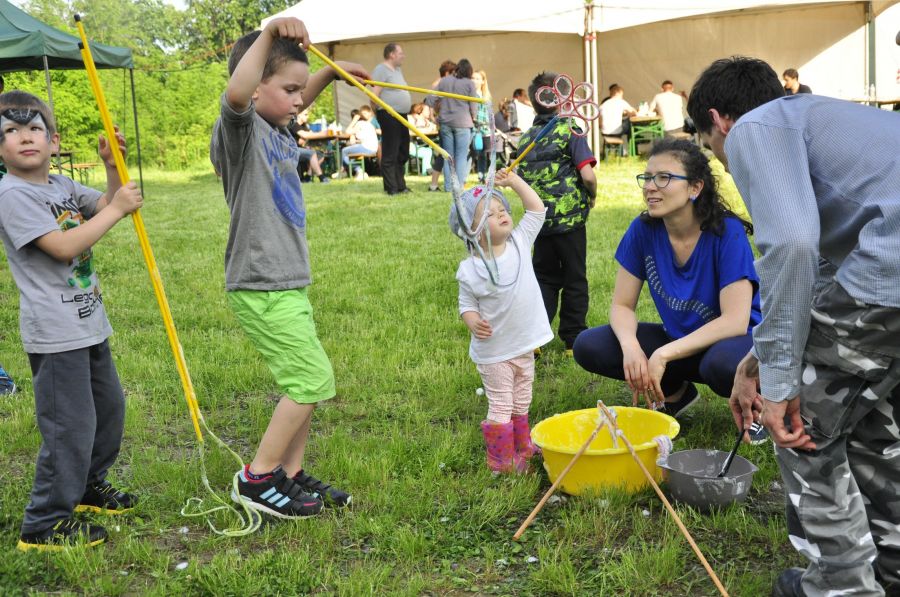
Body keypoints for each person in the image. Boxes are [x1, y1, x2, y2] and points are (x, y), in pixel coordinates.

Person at [687, 56, 900, 596]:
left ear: (721, 121)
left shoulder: (759, 127)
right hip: (886, 287)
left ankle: (840, 587)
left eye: (714, 150)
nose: (725, 163)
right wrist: (760, 357)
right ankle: (891, 569)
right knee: (874, 420)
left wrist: (781, 386)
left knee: (803, 429)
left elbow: (792, 247)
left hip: (889, 275)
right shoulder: (832, 120)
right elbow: (827, 271)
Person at [210, 18, 367, 518]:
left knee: (308, 380)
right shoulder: (240, 130)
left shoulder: (276, 127)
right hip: (259, 283)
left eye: (302, 89)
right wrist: (270, 29)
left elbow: (293, 94)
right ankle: (256, 479)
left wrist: (332, 74)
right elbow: (238, 92)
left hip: (287, 282)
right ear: (255, 90)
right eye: (289, 90)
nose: (299, 100)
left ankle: (289, 473)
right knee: (309, 380)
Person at [0, 91, 143, 550]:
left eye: (33, 128)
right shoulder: (11, 195)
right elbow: (63, 247)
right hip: (55, 333)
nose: (24, 136)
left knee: (108, 412)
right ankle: (43, 522)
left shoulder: (60, 186)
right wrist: (118, 209)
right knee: (69, 429)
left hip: (88, 322)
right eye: (9, 131)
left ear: (54, 140)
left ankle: (86, 487)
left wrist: (112, 162)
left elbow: (108, 201)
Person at [573, 138, 766, 428]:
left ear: (695, 187)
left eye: (664, 178)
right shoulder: (643, 229)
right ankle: (677, 393)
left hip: (737, 345)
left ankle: (760, 407)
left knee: (721, 365)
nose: (650, 186)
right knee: (590, 345)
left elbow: (735, 322)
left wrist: (662, 354)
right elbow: (622, 306)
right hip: (681, 343)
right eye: (648, 177)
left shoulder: (726, 232)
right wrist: (631, 348)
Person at [452, 169, 551, 473]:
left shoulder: (520, 243)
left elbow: (536, 209)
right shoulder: (471, 269)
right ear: (472, 231)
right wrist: (471, 320)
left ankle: (522, 447)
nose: (502, 214)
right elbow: (465, 304)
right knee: (501, 404)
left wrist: (515, 183)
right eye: (491, 214)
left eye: (502, 209)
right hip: (495, 352)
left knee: (522, 399)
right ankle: (500, 460)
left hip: (523, 345)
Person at [515, 71, 597, 356]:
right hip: (570, 219)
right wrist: (592, 195)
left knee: (545, 278)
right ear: (562, 98)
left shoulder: (526, 139)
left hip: (540, 222)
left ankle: (535, 338)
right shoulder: (570, 129)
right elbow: (587, 174)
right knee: (575, 276)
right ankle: (574, 339)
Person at [428, 58, 478, 191]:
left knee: (448, 155)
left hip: (445, 123)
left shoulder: (445, 81)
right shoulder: (469, 84)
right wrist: (474, 116)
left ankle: (448, 187)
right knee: (461, 156)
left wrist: (434, 111)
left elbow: (431, 98)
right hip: (463, 123)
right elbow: (473, 104)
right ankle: (459, 186)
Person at [371, 43, 412, 196]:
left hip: (401, 114)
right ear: (391, 54)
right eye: (400, 52)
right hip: (388, 114)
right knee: (390, 151)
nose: (403, 55)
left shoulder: (398, 70)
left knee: (403, 151)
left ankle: (401, 185)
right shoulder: (381, 70)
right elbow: (374, 95)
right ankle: (391, 188)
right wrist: (379, 113)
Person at [428, 60, 456, 192]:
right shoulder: (438, 83)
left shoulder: (440, 83)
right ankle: (434, 184)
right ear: (447, 73)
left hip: (444, 121)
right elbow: (430, 102)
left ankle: (437, 183)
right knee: (443, 154)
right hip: (444, 122)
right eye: (453, 73)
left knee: (444, 153)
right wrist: (436, 117)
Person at [290, 110, 329, 183]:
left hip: (302, 149)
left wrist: (307, 138)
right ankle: (321, 177)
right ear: (299, 115)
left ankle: (308, 177)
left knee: (320, 154)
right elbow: (305, 135)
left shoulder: (305, 126)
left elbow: (310, 135)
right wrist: (323, 134)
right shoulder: (294, 125)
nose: (307, 116)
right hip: (292, 149)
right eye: (305, 114)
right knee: (312, 153)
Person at [342, 105, 378, 180]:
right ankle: (352, 172)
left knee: (344, 151)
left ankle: (359, 171)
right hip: (373, 148)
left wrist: (354, 121)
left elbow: (347, 131)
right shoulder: (369, 124)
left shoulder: (359, 123)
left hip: (367, 148)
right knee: (351, 155)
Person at [471, 70, 493, 184]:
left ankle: (483, 175)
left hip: (486, 129)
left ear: (483, 81)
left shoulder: (486, 96)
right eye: (472, 78)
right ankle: (464, 178)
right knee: (472, 153)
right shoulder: (470, 94)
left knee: (484, 154)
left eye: (477, 78)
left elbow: (489, 114)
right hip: (474, 128)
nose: (474, 81)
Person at [599, 84, 636, 150]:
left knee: (624, 122)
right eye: (622, 95)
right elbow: (633, 113)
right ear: (618, 93)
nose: (622, 97)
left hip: (605, 132)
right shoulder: (621, 102)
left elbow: (600, 122)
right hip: (616, 132)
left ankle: (624, 150)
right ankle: (632, 149)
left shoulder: (603, 104)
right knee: (630, 124)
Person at [407, 103, 436, 176]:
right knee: (427, 152)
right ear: (420, 111)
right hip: (409, 145)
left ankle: (428, 170)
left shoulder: (426, 121)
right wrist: (426, 129)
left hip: (419, 144)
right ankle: (425, 172)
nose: (429, 112)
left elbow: (434, 127)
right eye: (427, 110)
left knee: (429, 150)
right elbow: (412, 131)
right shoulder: (410, 118)